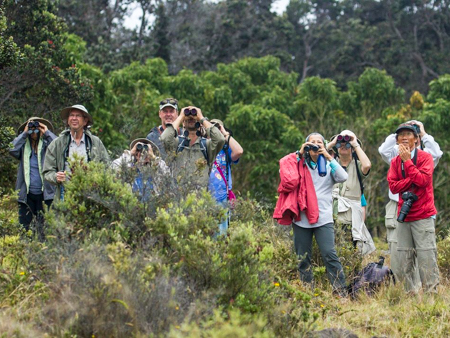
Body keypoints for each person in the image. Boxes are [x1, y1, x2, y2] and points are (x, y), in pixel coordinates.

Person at [274, 133, 348, 295]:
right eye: (311, 142)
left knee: (329, 254)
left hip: (324, 218)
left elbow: (343, 177)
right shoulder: (298, 164)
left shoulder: (328, 166)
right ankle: (307, 292)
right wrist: (299, 154)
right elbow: (285, 173)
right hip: (302, 218)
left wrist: (328, 156)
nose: (315, 145)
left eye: (319, 142)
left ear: (325, 145)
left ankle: (340, 291)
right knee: (303, 257)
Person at [379, 120, 442, 284]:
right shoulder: (394, 161)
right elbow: (393, 187)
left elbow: (423, 181)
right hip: (404, 216)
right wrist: (411, 179)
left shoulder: (425, 157)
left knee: (426, 258)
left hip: (423, 215)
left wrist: (407, 162)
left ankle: (431, 298)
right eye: (400, 135)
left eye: (408, 134)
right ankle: (408, 296)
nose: (404, 138)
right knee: (404, 259)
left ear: (416, 139)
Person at [43, 105, 110, 200]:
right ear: (68, 120)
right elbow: (47, 171)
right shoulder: (57, 143)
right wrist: (55, 176)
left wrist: (97, 181)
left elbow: (107, 167)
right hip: (65, 196)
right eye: (71, 115)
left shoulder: (95, 142)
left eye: (78, 115)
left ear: (85, 121)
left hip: (91, 197)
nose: (74, 118)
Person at [328, 130, 375, 255]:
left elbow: (367, 165)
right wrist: (332, 143)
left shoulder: (358, 165)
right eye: (340, 143)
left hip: (350, 219)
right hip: (330, 216)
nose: (343, 145)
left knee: (351, 252)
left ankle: (352, 274)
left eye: (347, 143)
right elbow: (314, 156)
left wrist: (355, 144)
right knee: (332, 251)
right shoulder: (330, 164)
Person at [160, 106, 225, 190]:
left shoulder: (206, 145)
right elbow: (164, 138)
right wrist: (180, 117)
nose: (191, 119)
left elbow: (220, 139)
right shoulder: (177, 143)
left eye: (194, 117)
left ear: (200, 123)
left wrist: (201, 117)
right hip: (178, 196)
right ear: (183, 123)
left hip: (199, 198)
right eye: (187, 118)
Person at [9, 117, 57, 231]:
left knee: (44, 230)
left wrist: (47, 133)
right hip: (26, 195)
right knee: (25, 230)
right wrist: (24, 133)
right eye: (31, 128)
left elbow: (59, 147)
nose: (34, 131)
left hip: (45, 195)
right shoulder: (22, 147)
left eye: (37, 128)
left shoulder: (47, 146)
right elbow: (11, 149)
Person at [208, 119, 243, 236]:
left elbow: (238, 151)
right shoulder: (203, 145)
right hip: (203, 196)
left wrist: (224, 133)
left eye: (217, 128)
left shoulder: (225, 149)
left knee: (220, 235)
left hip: (221, 197)